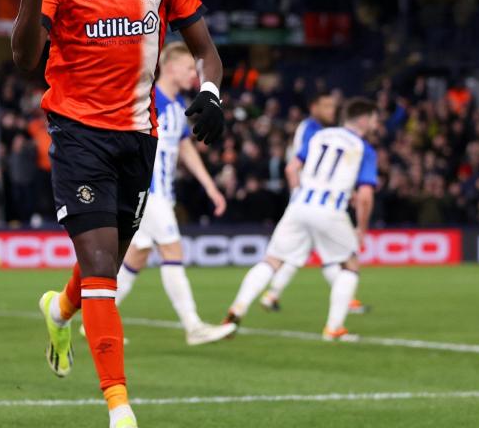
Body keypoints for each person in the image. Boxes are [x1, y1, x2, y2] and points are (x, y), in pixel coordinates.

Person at [10, 0, 225, 428]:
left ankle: (59, 308)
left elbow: (206, 51)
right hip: (78, 133)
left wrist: (210, 94)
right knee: (104, 268)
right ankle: (119, 410)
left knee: (101, 261)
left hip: (139, 136)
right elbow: (27, 58)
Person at [223, 98, 379, 341]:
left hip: (300, 204)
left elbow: (291, 168)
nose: (375, 124)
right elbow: (366, 197)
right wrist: (362, 228)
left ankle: (237, 308)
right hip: (329, 210)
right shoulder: (363, 148)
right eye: (374, 119)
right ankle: (334, 328)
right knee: (349, 264)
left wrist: (300, 193)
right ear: (363, 120)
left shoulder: (320, 137)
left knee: (272, 260)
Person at [110, 42, 234, 345]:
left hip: (161, 193)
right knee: (172, 250)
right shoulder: (147, 99)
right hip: (147, 191)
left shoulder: (178, 107)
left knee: (136, 257)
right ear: (170, 66)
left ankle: (96, 318)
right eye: (190, 68)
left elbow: (184, 147)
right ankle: (193, 326)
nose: (195, 74)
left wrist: (209, 186)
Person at [259, 93, 370, 315]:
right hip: (313, 199)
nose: (331, 110)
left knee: (304, 253)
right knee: (334, 254)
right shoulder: (314, 130)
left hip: (313, 197)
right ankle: (345, 304)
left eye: (333, 106)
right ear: (314, 107)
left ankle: (272, 294)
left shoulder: (316, 129)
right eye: (326, 106)